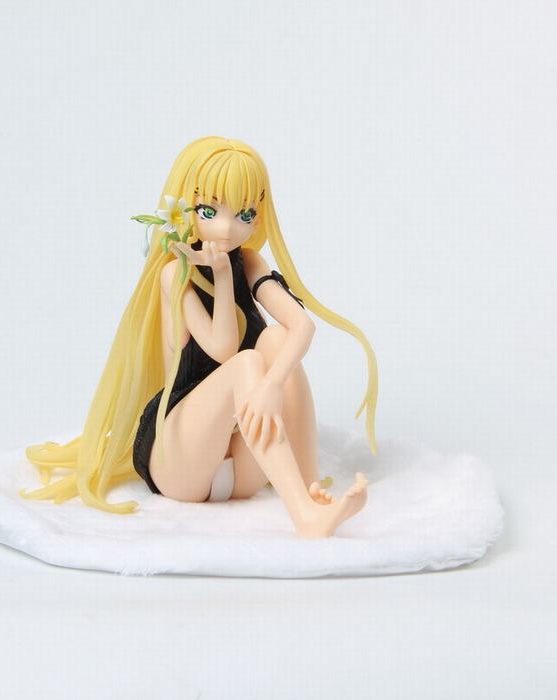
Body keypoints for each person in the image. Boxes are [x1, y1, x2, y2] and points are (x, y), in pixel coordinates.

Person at [21, 136, 378, 538]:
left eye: (245, 214)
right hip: (180, 464)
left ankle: (310, 489)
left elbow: (303, 326)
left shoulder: (250, 261)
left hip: (241, 469)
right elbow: (223, 350)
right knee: (247, 362)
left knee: (278, 342)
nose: (228, 227)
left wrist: (272, 385)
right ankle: (305, 518)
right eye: (210, 210)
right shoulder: (174, 273)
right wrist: (221, 275)